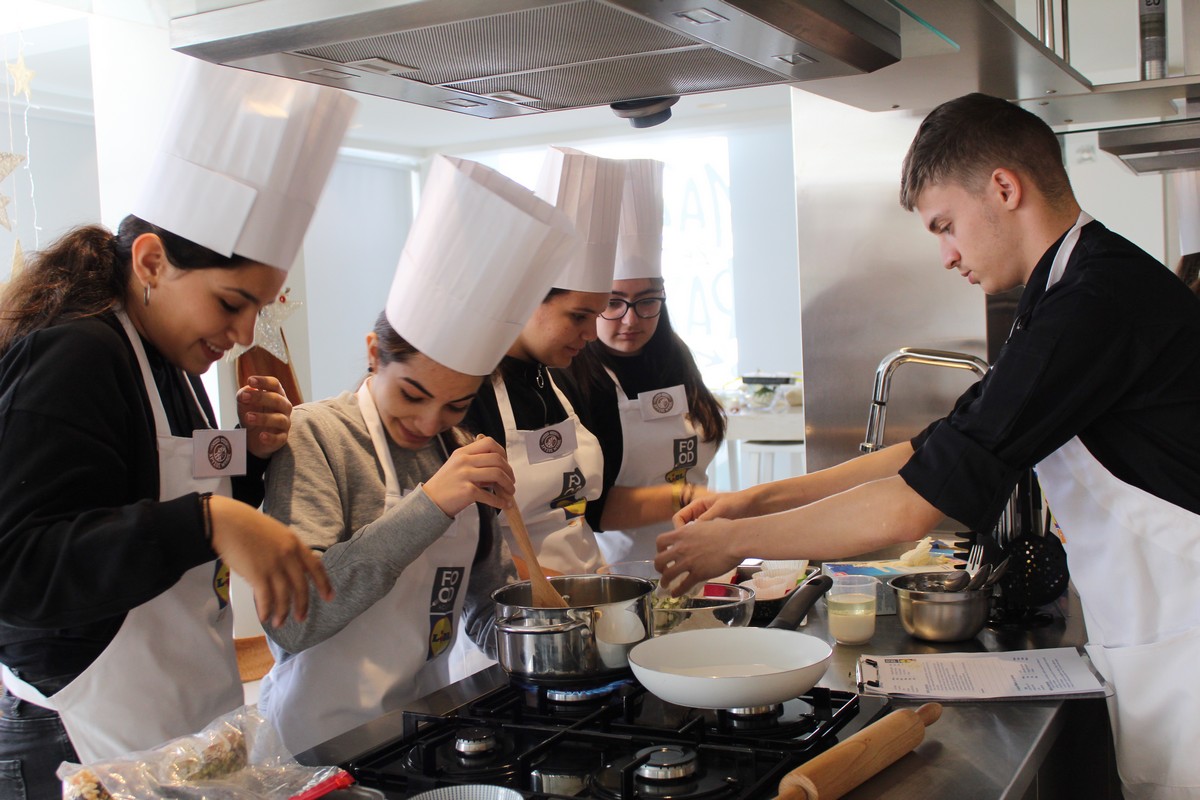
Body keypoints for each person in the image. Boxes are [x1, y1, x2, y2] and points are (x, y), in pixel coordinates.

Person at [658, 92, 1200, 800]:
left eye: (946, 225)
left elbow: (909, 510)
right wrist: (755, 498)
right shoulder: (1068, 288)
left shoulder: (1093, 302)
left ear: (1005, 188)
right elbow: (935, 448)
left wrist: (734, 543)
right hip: (1162, 628)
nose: (946, 255)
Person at [0, 60, 354, 798]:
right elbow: (21, 566)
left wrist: (250, 462)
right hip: (79, 730)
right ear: (152, 261)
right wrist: (209, 519)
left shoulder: (162, 357)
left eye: (260, 306)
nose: (245, 330)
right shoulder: (77, 352)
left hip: (172, 715)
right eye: (232, 303)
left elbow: (155, 496)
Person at [256, 154, 575, 755]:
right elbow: (295, 624)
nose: (430, 423)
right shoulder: (315, 436)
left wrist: (542, 636)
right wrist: (430, 503)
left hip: (424, 725)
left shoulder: (461, 452)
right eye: (413, 394)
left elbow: (475, 601)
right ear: (375, 353)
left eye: (457, 405)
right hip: (318, 743)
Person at [462, 147, 625, 576]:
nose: (591, 335)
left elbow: (579, 517)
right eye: (577, 316)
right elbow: (459, 544)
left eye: (597, 315)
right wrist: (561, 595)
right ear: (527, 297)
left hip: (586, 597)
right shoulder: (467, 394)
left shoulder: (563, 380)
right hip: (511, 622)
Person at [560, 158, 724, 564]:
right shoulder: (577, 375)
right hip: (624, 571)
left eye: (647, 301)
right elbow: (592, 509)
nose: (632, 320)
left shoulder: (674, 355)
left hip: (702, 551)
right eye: (613, 303)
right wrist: (686, 496)